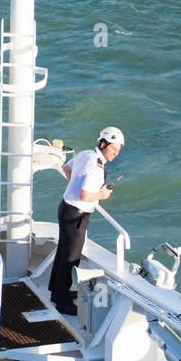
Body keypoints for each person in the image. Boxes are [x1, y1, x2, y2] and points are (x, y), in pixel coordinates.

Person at [49, 126, 124, 314]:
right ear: (104, 143)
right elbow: (85, 196)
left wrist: (75, 185)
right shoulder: (96, 167)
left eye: (118, 150)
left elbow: (67, 169)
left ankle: (56, 292)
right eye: (114, 148)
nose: (116, 153)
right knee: (70, 258)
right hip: (76, 214)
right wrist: (102, 194)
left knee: (63, 252)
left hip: (66, 208)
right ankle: (62, 302)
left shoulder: (85, 154)